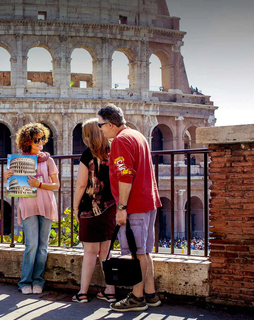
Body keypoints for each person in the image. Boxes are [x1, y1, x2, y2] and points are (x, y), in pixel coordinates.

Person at [97, 104, 163, 312]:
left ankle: (137, 297)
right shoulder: (137, 135)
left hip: (134, 205)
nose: (99, 129)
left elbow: (125, 175)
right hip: (148, 202)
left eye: (100, 125)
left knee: (136, 253)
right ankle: (150, 294)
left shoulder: (120, 140)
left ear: (109, 124)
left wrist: (122, 207)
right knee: (144, 252)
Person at [3, 122, 59, 295]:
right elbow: (11, 188)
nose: (41, 143)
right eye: (37, 140)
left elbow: (56, 185)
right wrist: (7, 177)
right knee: (31, 245)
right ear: (27, 141)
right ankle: (25, 281)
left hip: (46, 204)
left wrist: (39, 184)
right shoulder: (18, 162)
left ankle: (38, 281)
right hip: (28, 205)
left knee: (42, 246)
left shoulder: (48, 160)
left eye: (42, 139)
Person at [71, 118, 117, 304]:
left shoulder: (87, 155)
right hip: (110, 207)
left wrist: (75, 206)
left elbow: (82, 184)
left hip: (89, 209)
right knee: (106, 252)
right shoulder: (112, 152)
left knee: (90, 252)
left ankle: (82, 293)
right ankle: (110, 291)